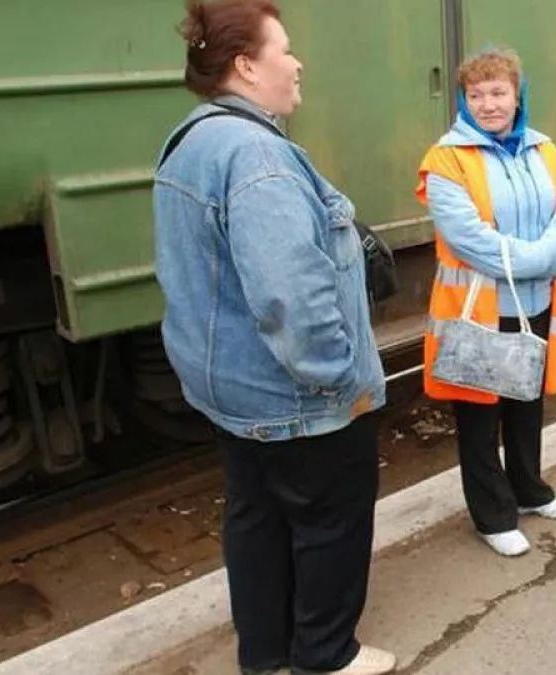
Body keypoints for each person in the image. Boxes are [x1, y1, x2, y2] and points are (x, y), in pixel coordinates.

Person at [152, 1, 394, 673]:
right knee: (330, 522)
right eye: (284, 49)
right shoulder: (258, 155)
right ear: (247, 66)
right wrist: (339, 381)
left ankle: (263, 654)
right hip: (296, 396)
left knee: (255, 516)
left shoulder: (191, 141)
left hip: (232, 389)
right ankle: (325, 654)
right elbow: (291, 293)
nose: (297, 63)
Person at [415, 48, 556, 558]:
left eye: (498, 92)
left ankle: (529, 490)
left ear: (517, 95)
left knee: (526, 403)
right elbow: (468, 238)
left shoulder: (542, 148)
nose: (488, 104)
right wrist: (542, 258)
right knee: (479, 416)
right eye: (476, 95)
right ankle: (492, 516)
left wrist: (548, 254)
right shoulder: (446, 159)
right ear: (464, 101)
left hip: (535, 302)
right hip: (480, 310)